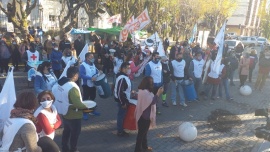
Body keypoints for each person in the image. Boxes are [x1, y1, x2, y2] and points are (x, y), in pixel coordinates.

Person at [52, 67, 88, 152]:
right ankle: (73, 149)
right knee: (75, 134)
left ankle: (64, 147)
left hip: (63, 112)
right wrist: (87, 108)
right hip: (73, 114)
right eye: (77, 74)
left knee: (66, 131)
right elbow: (77, 104)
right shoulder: (72, 87)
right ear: (75, 75)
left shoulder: (59, 83)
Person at [134, 76, 163, 152]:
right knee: (141, 134)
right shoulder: (146, 93)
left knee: (143, 133)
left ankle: (144, 147)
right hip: (145, 117)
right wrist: (158, 94)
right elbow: (152, 101)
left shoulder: (141, 90)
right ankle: (138, 149)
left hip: (141, 115)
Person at [79, 52, 100, 119]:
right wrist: (90, 78)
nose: (93, 58)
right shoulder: (83, 65)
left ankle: (92, 110)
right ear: (87, 58)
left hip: (93, 84)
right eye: (91, 57)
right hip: (86, 85)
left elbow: (96, 72)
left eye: (93, 57)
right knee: (85, 99)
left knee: (93, 97)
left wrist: (99, 73)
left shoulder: (93, 64)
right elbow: (81, 75)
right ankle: (84, 113)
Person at [114, 62, 132, 137]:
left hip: (124, 98)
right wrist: (123, 103)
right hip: (123, 100)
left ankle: (121, 128)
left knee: (122, 114)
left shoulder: (124, 76)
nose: (130, 70)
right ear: (124, 69)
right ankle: (120, 131)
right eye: (128, 68)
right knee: (121, 115)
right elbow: (119, 92)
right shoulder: (122, 78)